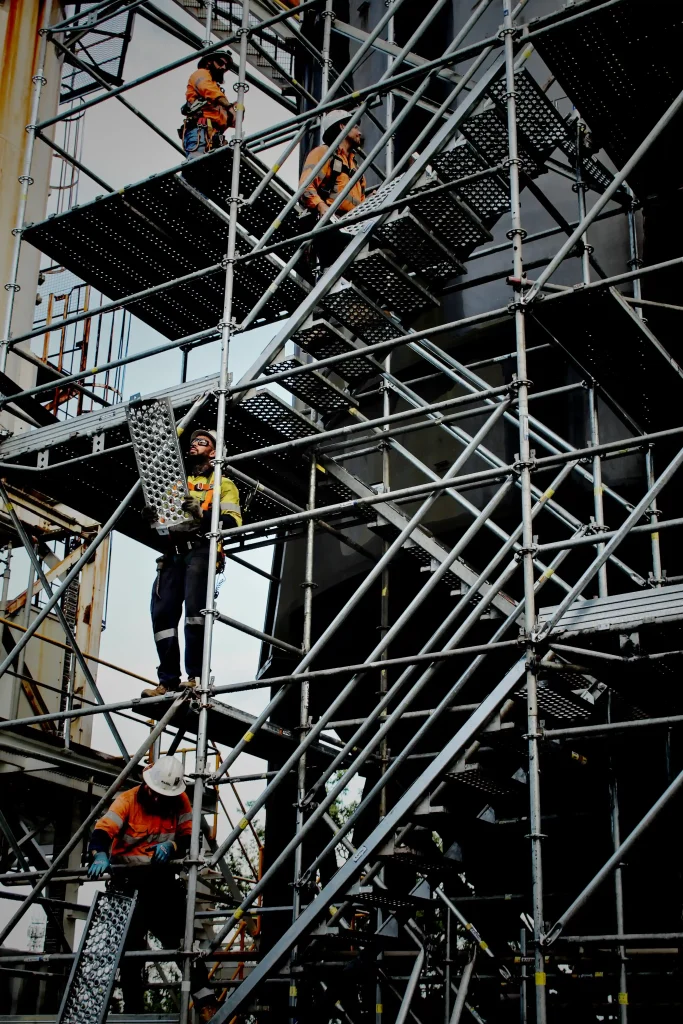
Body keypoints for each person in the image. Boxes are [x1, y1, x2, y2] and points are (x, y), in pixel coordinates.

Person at [87, 756, 217, 1020]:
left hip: (161, 882)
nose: (159, 800)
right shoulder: (127, 801)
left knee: (184, 942)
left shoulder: (179, 800)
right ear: (146, 785)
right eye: (156, 793)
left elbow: (188, 837)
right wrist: (100, 854)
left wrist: (172, 847)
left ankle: (206, 1002)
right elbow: (102, 832)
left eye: (163, 795)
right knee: (130, 950)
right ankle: (134, 1012)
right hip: (128, 884)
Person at [142, 429, 241, 699]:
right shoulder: (177, 485)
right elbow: (161, 523)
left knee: (195, 613)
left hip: (201, 550)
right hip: (173, 553)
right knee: (162, 615)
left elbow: (232, 523)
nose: (194, 445)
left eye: (202, 442)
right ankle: (168, 680)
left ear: (213, 451)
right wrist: (151, 517)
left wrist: (202, 514)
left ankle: (194, 677)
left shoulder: (225, 485)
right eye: (193, 442)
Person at [298, 109, 366, 274]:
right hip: (330, 226)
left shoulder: (356, 168)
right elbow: (305, 188)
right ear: (343, 126)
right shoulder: (324, 153)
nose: (360, 132)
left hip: (352, 226)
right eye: (355, 127)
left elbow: (359, 201)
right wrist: (321, 207)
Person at [180, 52, 236, 158]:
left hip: (214, 136)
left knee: (210, 169)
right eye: (220, 63)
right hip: (200, 131)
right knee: (196, 163)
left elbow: (227, 120)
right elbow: (208, 90)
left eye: (226, 66)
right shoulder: (201, 74)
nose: (223, 67)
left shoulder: (218, 91)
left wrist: (237, 110)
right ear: (209, 62)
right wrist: (229, 107)